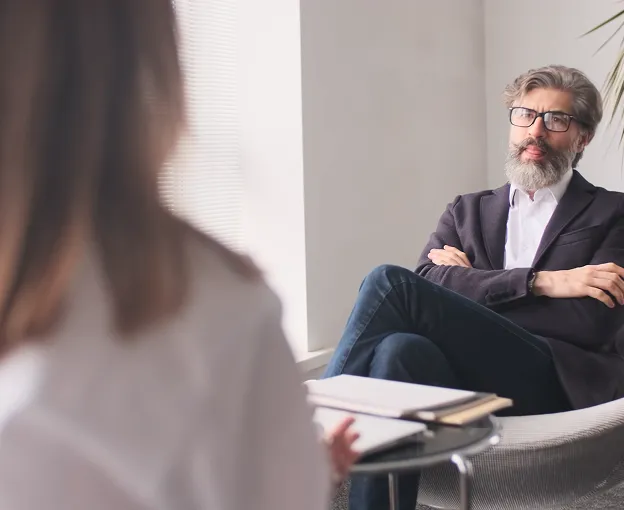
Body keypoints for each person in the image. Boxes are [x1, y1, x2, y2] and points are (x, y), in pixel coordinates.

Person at [0, 2, 359, 509]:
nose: (519, 129)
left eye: (522, 113)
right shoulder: (214, 308)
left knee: (391, 292)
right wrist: (280, 461)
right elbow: (432, 270)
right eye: (517, 115)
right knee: (397, 330)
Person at [324, 64, 624, 510]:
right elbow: (428, 282)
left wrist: (467, 287)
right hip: (464, 380)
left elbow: (589, 320)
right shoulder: (466, 211)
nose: (535, 131)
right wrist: (546, 283)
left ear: (582, 138)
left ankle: (314, 432)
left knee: (388, 282)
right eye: (525, 115)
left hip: (552, 380)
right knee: (399, 350)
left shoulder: (612, 213)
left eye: (556, 120)